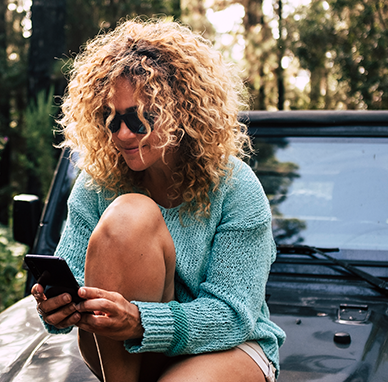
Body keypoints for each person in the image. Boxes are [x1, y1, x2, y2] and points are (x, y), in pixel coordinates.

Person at [31, 18, 285, 382]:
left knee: (132, 212)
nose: (121, 133)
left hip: (228, 346)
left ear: (182, 112)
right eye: (111, 118)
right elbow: (72, 279)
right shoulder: (97, 183)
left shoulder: (235, 186)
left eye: (139, 119)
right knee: (128, 213)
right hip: (125, 355)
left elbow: (232, 317)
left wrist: (139, 321)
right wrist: (54, 307)